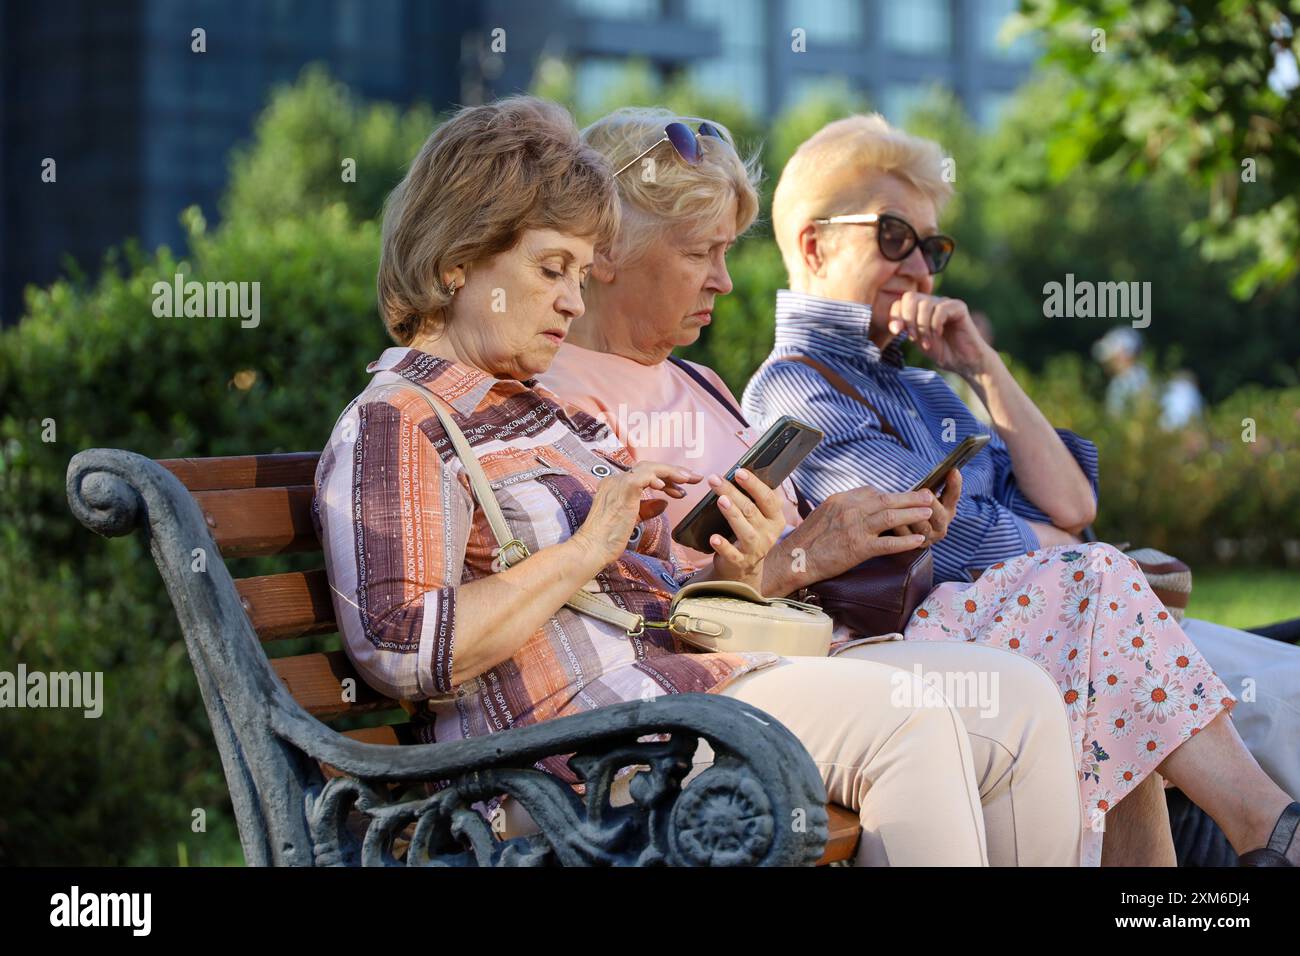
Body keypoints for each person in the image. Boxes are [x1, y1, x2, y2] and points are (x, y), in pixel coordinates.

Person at [313, 95, 1084, 866]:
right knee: (903, 722)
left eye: (580, 273)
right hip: (573, 755)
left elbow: (658, 604)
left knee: (1018, 700)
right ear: (456, 263)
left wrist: (739, 571)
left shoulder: (541, 414)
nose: (573, 300)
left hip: (676, 693)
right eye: (552, 270)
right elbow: (399, 645)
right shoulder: (400, 421)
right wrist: (587, 548)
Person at [540, 105, 1300, 867]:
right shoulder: (775, 385)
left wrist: (983, 371)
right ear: (607, 253)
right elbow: (653, 596)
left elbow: (1070, 508)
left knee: (1120, 631)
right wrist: (816, 550)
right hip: (824, 649)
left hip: (848, 639)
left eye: (933, 246)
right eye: (895, 238)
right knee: (1110, 605)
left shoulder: (716, 382)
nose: (726, 280)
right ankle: (1266, 832)